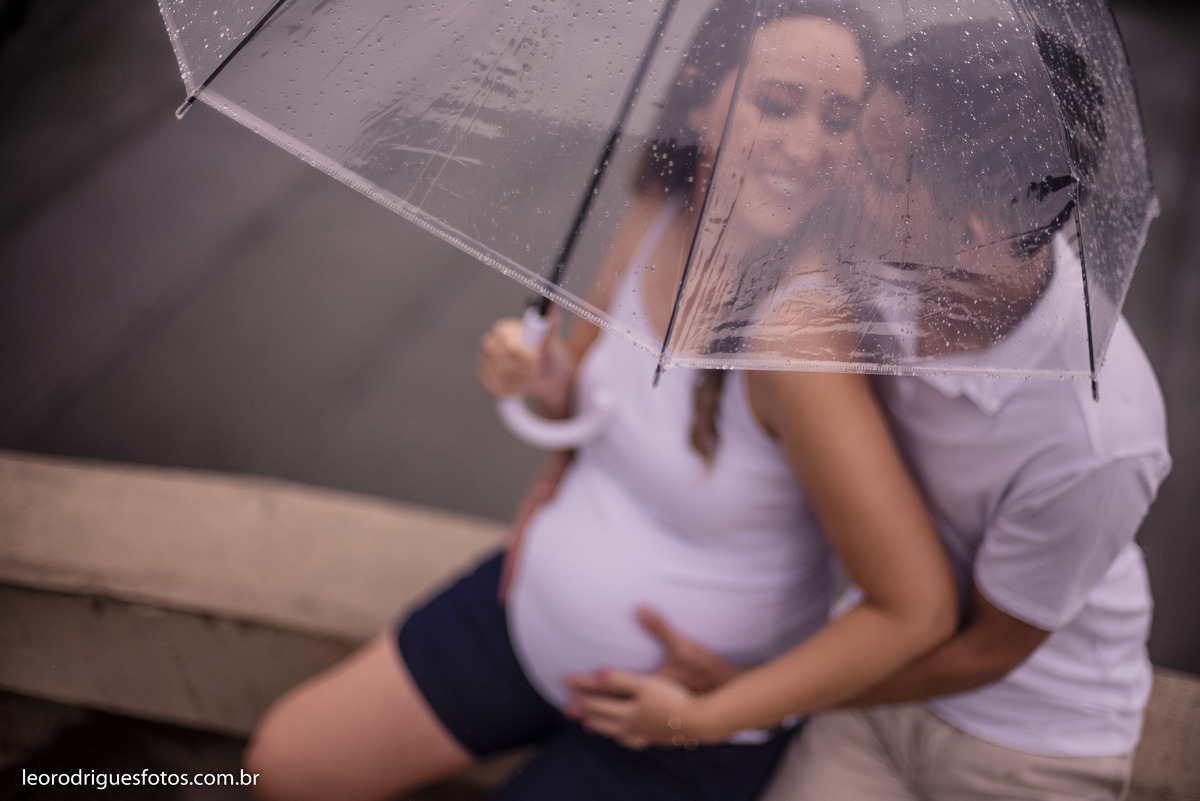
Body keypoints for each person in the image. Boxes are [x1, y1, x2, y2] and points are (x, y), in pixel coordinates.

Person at [240, 3, 957, 801]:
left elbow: (915, 609)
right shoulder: (661, 208)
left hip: (677, 725)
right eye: (778, 104)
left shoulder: (800, 338)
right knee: (286, 763)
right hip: (526, 612)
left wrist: (705, 717)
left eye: (840, 120)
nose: (806, 146)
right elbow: (580, 393)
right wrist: (542, 381)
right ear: (697, 96)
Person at [570, 19, 1172, 801]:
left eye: (883, 172)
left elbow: (991, 648)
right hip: (872, 683)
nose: (841, 166)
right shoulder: (872, 247)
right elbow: (684, 213)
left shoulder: (1098, 434)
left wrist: (738, 701)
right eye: (864, 130)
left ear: (973, 235)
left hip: (1030, 738)